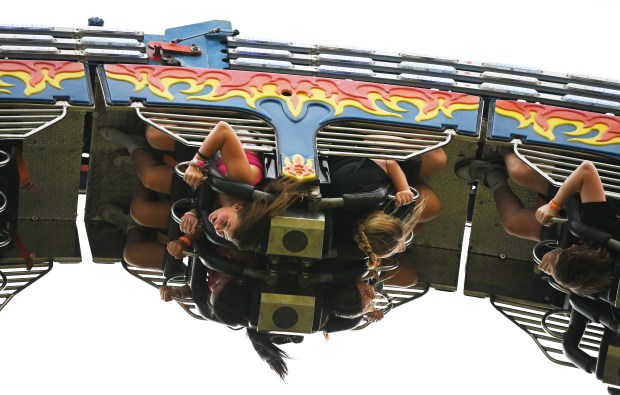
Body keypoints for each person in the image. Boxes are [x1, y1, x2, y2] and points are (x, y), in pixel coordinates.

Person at [457, 150, 619, 295]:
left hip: (567, 224)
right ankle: (501, 148)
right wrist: (554, 205)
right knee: (518, 172)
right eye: (567, 251)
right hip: (582, 192)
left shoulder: (594, 276)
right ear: (577, 249)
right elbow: (587, 170)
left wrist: (553, 260)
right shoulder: (599, 224)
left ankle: (493, 174)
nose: (573, 246)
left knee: (512, 224)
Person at [182, 120, 305, 250]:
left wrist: (192, 214)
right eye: (225, 223)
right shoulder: (243, 179)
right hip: (235, 123)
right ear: (238, 207)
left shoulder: (220, 205)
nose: (217, 228)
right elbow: (223, 130)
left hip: (205, 134)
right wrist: (196, 163)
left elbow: (202, 202)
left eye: (222, 234)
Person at [323, 148, 446, 269]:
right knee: (429, 213)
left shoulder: (368, 182)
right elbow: (373, 245)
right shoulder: (352, 237)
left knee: (438, 158)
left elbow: (387, 159)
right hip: (352, 176)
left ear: (384, 215)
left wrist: (404, 189)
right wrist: (394, 241)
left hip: (357, 147)